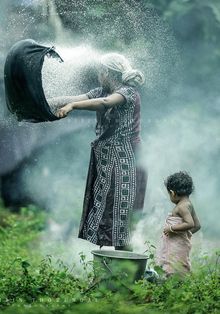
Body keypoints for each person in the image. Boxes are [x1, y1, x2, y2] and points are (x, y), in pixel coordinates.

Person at [51, 53, 147, 251]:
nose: (98, 74)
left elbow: (104, 103)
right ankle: (109, 269)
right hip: (108, 161)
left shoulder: (127, 92)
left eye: (99, 71)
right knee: (104, 210)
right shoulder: (101, 91)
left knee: (121, 215)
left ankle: (125, 270)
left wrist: (72, 106)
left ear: (106, 73)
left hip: (126, 162)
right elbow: (74, 98)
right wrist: (46, 101)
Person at [157, 171, 201, 276]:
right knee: (179, 266)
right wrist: (183, 236)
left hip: (175, 248)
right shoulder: (188, 204)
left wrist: (171, 229)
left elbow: (190, 223)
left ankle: (171, 285)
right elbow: (197, 225)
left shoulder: (182, 206)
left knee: (172, 266)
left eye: (169, 194)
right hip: (179, 244)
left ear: (172, 193)